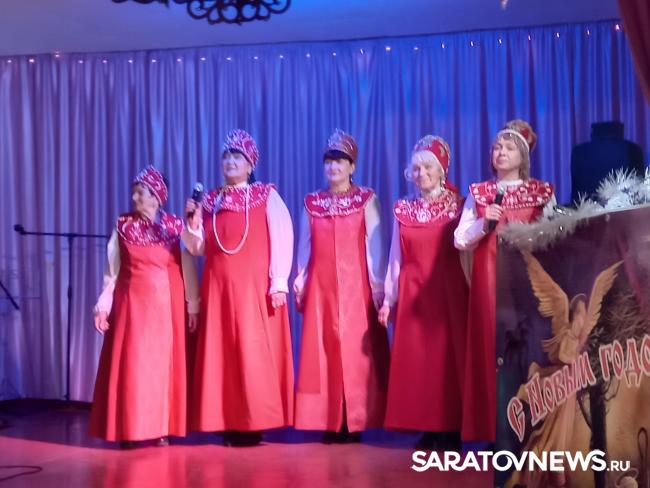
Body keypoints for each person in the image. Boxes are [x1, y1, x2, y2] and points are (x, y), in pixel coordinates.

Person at [183, 129, 294, 446]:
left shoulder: (265, 195)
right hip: (218, 288)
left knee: (251, 351)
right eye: (226, 156)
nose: (230, 162)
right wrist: (192, 223)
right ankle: (225, 419)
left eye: (237, 156)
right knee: (223, 354)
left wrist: (279, 281)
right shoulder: (210, 200)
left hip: (253, 288)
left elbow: (282, 234)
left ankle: (252, 422)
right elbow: (198, 248)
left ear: (250, 164)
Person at [454, 120, 556, 443]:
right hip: (488, 282)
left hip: (527, 283)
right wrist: (484, 223)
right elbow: (459, 239)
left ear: (523, 156)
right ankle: (492, 430)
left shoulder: (541, 192)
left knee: (529, 351)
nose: (501, 152)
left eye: (509, 148)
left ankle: (530, 428)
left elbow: (555, 237)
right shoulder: (480, 193)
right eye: (497, 147)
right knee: (490, 351)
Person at [89, 165, 199, 448]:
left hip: (165, 308)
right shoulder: (123, 225)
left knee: (161, 369)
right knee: (133, 366)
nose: (135, 197)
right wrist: (103, 306)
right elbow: (112, 271)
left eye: (141, 192)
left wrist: (193, 305)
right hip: (132, 307)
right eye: (134, 192)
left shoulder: (174, 226)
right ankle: (130, 428)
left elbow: (189, 264)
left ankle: (161, 427)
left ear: (157, 197)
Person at [293, 129, 390, 443]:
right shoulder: (312, 203)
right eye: (328, 161)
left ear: (352, 166)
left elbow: (375, 245)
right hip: (322, 290)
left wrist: (378, 286)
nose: (333, 167)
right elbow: (304, 246)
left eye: (340, 161)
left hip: (356, 289)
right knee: (325, 353)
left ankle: (354, 420)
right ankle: (328, 420)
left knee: (355, 354)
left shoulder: (366, 199)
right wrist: (300, 281)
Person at [378, 135, 468, 450]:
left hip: (448, 293)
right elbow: (396, 256)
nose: (421, 173)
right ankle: (428, 427)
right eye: (416, 168)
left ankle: (451, 428)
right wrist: (389, 299)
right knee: (420, 363)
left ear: (442, 170)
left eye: (428, 167)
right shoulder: (404, 209)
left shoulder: (460, 206)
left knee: (447, 362)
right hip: (414, 293)